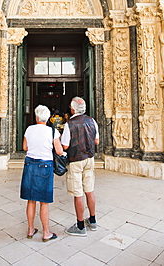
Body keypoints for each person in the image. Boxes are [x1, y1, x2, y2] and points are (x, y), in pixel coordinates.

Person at [20, 104, 63, 242]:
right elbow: (59, 151)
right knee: (44, 202)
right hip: (45, 166)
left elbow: (24, 147)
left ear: (36, 117)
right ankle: (46, 233)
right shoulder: (52, 132)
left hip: (30, 164)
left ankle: (31, 229)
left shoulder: (29, 129)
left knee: (31, 200)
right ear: (48, 118)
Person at [61, 96, 99, 236]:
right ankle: (93, 221)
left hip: (76, 160)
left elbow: (65, 145)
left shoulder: (69, 124)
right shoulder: (92, 121)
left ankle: (81, 225)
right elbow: (97, 141)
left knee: (78, 193)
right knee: (89, 190)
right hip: (89, 159)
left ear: (72, 109)